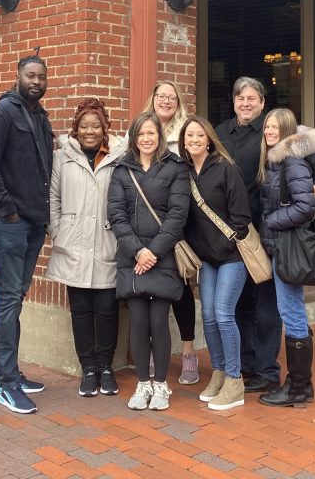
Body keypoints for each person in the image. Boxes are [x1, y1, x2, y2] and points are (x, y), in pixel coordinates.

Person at [215, 77, 315, 393]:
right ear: (234, 101)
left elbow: (312, 180)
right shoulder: (220, 133)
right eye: (240, 98)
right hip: (233, 236)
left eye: (252, 98)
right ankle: (245, 365)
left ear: (262, 103)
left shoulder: (280, 135)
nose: (245, 103)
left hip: (269, 235)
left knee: (268, 306)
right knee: (239, 304)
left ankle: (266, 369)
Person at [0, 52, 54, 415]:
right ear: (18, 77)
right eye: (30, 75)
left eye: (41, 77)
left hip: (33, 221)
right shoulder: (1, 113)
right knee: (8, 297)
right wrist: (7, 211)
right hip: (9, 221)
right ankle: (7, 384)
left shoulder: (40, 117)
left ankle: (4, 374)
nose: (36, 81)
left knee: (16, 296)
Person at [107, 112, 190, 412]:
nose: (146, 138)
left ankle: (161, 384)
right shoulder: (121, 170)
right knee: (139, 323)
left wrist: (153, 252)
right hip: (132, 258)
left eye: (151, 133)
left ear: (159, 136)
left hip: (163, 256)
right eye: (140, 133)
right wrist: (138, 252)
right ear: (134, 137)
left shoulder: (175, 168)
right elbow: (116, 215)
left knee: (159, 322)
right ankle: (143, 383)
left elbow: (178, 214)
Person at [47, 98, 126, 398]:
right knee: (80, 311)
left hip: (107, 243)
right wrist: (58, 232)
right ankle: (88, 369)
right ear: (76, 129)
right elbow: (53, 199)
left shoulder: (118, 157)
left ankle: (106, 367)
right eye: (84, 126)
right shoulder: (61, 158)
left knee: (107, 310)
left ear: (105, 128)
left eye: (95, 126)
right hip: (73, 245)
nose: (90, 131)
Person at [179, 116, 251, 411]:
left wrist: (222, 246)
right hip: (206, 259)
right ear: (183, 141)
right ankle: (219, 372)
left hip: (231, 256)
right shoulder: (183, 173)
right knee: (207, 315)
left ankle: (235, 380)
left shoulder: (225, 169)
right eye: (189, 135)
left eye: (199, 135)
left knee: (223, 313)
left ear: (209, 139)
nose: (194, 139)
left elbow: (242, 218)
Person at [257, 108, 315, 407]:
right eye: (267, 127)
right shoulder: (275, 160)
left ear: (286, 131)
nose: (269, 132)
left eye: (275, 127)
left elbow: (305, 206)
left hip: (287, 248)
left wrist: (270, 222)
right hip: (278, 247)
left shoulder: (292, 161)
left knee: (291, 311)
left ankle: (296, 388)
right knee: (291, 310)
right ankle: (302, 385)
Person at [143, 80, 198, 384]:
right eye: (161, 96)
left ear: (178, 103)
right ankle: (154, 349)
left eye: (171, 97)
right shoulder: (142, 128)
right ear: (153, 99)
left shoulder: (186, 132)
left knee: (180, 287)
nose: (166, 101)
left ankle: (188, 351)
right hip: (148, 219)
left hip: (179, 217)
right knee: (152, 287)